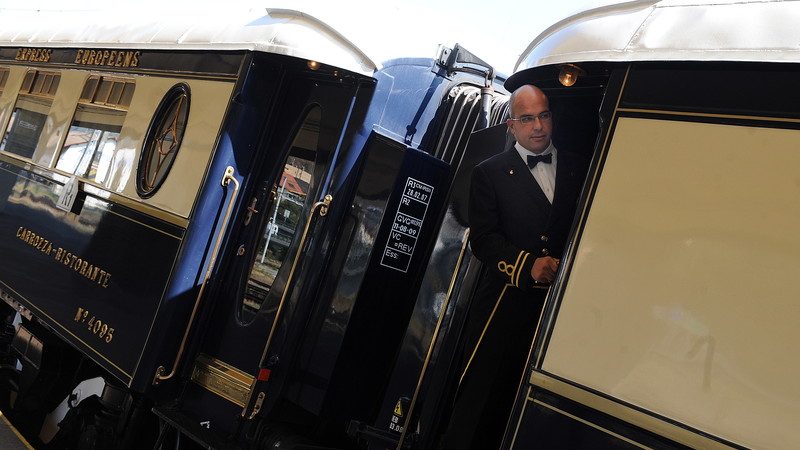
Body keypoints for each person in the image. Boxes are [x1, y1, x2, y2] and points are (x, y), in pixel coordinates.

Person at [442, 84, 587, 449]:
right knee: (482, 403)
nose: (537, 126)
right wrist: (528, 266)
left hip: (559, 309)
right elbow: (484, 240)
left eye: (543, 116)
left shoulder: (579, 167)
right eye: (527, 119)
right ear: (511, 125)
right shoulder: (489, 172)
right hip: (504, 306)